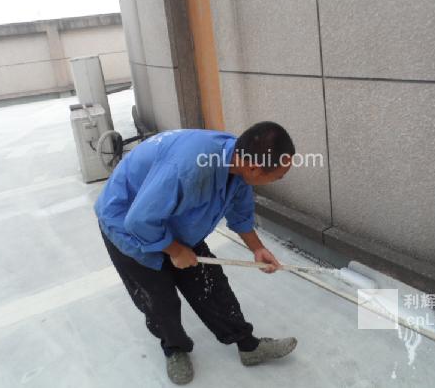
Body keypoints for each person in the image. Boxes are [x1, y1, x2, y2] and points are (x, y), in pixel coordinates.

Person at [95, 121, 297, 385]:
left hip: (170, 219)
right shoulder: (189, 169)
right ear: (253, 168)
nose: (278, 180)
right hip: (126, 223)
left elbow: (240, 213)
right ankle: (174, 348)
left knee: (211, 285)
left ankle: (248, 346)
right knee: (159, 297)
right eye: (278, 176)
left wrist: (257, 248)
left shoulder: (238, 163)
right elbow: (139, 221)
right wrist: (175, 250)